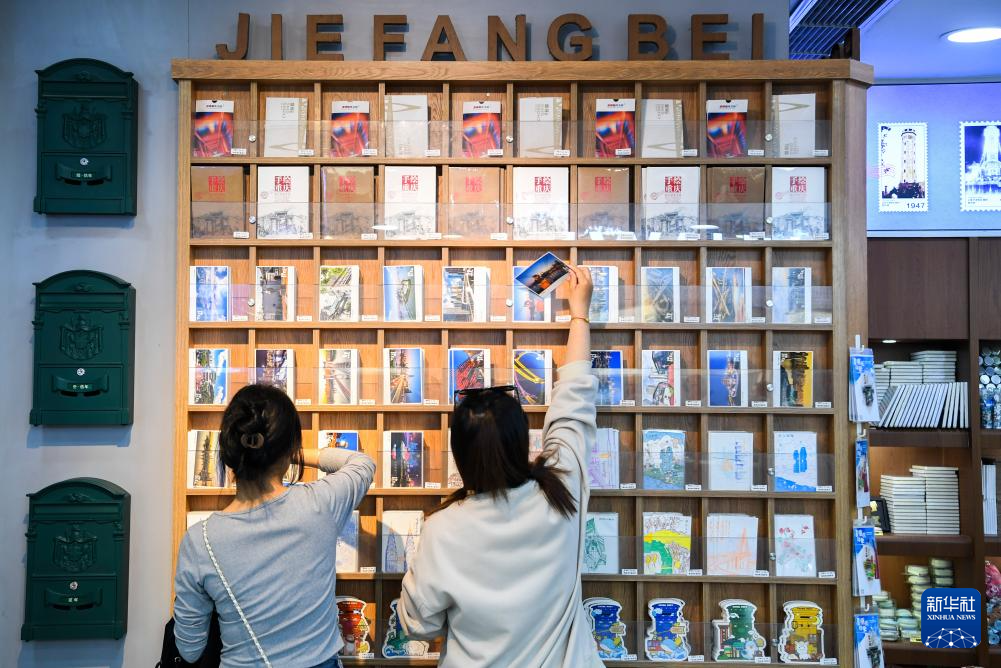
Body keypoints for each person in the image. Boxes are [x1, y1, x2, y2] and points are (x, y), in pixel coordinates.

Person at [397, 264, 603, 667]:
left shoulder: (442, 528)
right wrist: (579, 314)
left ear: (459, 453)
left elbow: (418, 625)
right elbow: (574, 398)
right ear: (522, 440)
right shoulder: (561, 489)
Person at [173, 384, 375, 668]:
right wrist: (294, 452)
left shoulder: (200, 540)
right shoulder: (320, 503)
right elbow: (362, 463)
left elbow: (189, 649)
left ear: (230, 450)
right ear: (289, 448)